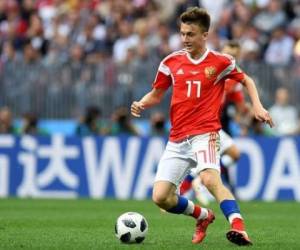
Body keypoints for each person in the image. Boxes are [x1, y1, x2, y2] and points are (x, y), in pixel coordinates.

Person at [131, 7, 273, 246]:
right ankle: (203, 216)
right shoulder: (171, 62)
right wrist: (141, 103)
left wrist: (257, 107)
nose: (185, 39)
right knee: (161, 198)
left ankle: (239, 227)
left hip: (206, 133)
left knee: (209, 179)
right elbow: (157, 94)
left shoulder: (220, 62)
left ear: (205, 35)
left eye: (191, 34)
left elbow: (246, 79)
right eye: (183, 33)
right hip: (177, 138)